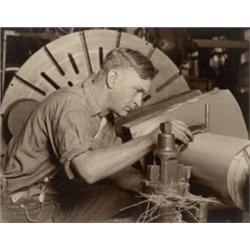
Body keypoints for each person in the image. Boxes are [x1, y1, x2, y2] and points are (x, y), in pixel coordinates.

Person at [0, 48, 193, 222]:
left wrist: (161, 189)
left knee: (128, 199)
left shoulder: (103, 117)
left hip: (49, 199)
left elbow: (119, 173)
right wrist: (151, 140)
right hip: (22, 209)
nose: (139, 102)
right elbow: (88, 171)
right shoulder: (71, 104)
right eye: (137, 91)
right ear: (113, 79)